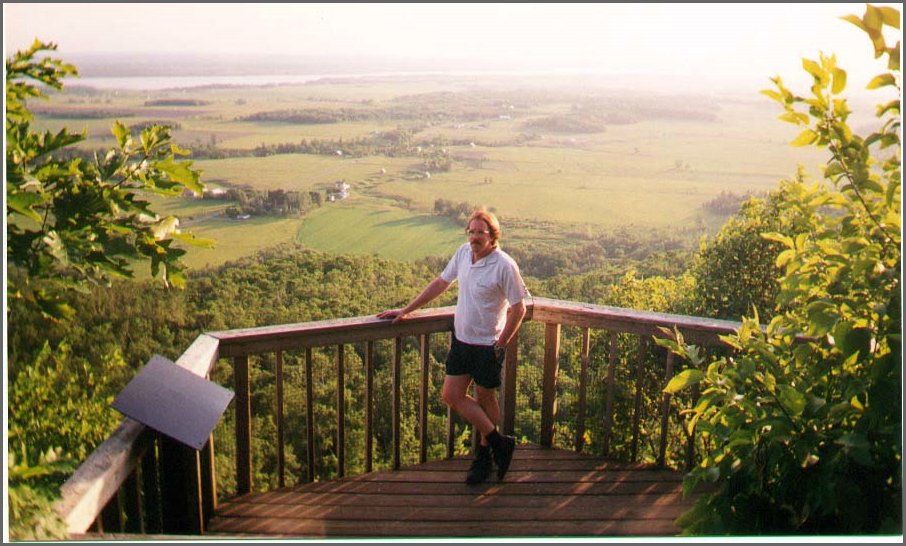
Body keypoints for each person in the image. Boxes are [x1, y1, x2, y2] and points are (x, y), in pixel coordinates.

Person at [377, 208, 529, 484]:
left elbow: (519, 309)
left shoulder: (504, 265)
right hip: (462, 341)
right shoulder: (463, 254)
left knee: (486, 400)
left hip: (487, 346)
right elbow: (441, 283)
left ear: (493, 236)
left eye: (480, 232)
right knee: (451, 395)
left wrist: (501, 344)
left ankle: (485, 454)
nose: (474, 237)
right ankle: (499, 442)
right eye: (471, 231)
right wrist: (406, 310)